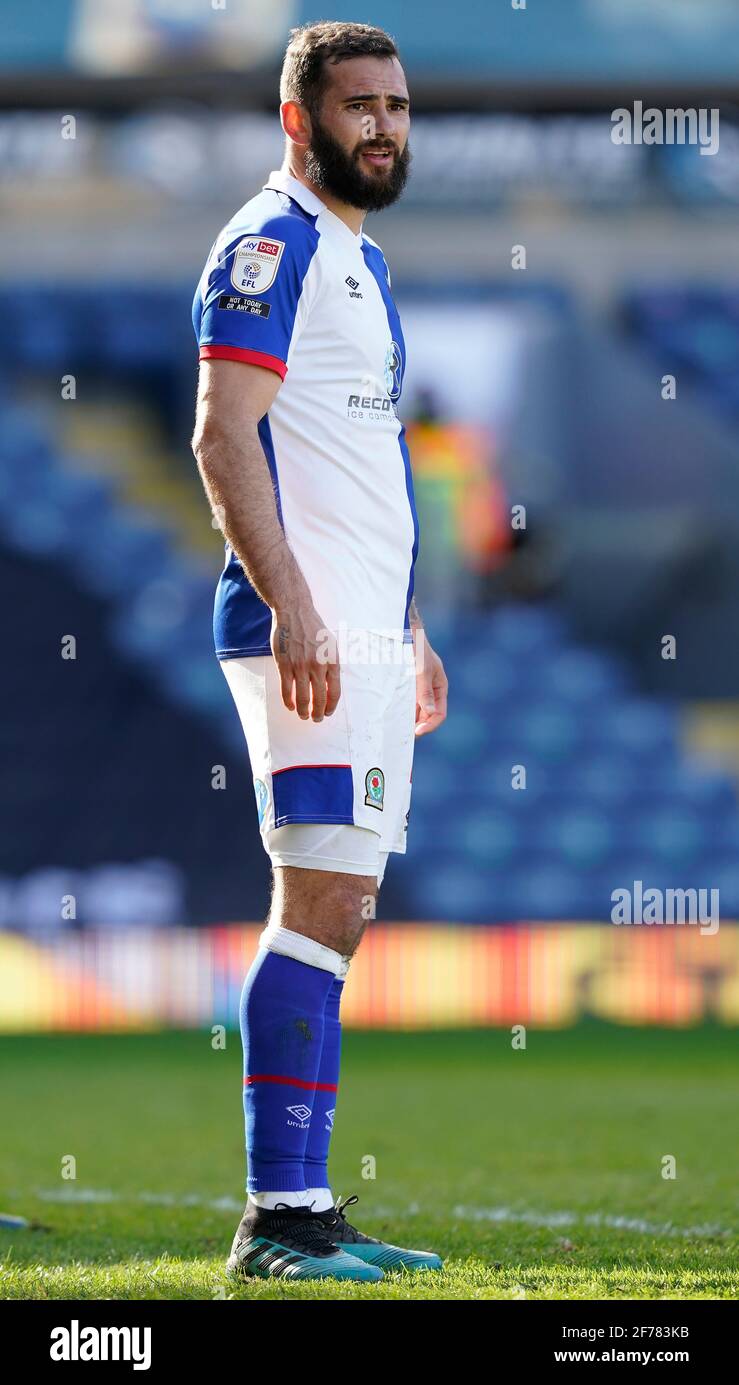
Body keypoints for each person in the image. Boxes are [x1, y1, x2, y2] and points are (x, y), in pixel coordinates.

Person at [192, 19, 447, 1283]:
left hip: (363, 631)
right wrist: (295, 602)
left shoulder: (361, 258)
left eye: (397, 106)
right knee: (314, 904)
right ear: (301, 119)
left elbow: (364, 464)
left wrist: (407, 624)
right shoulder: (269, 241)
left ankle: (303, 1205)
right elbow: (222, 433)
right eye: (360, 107)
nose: (384, 126)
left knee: (342, 905)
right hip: (303, 633)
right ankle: (276, 1218)